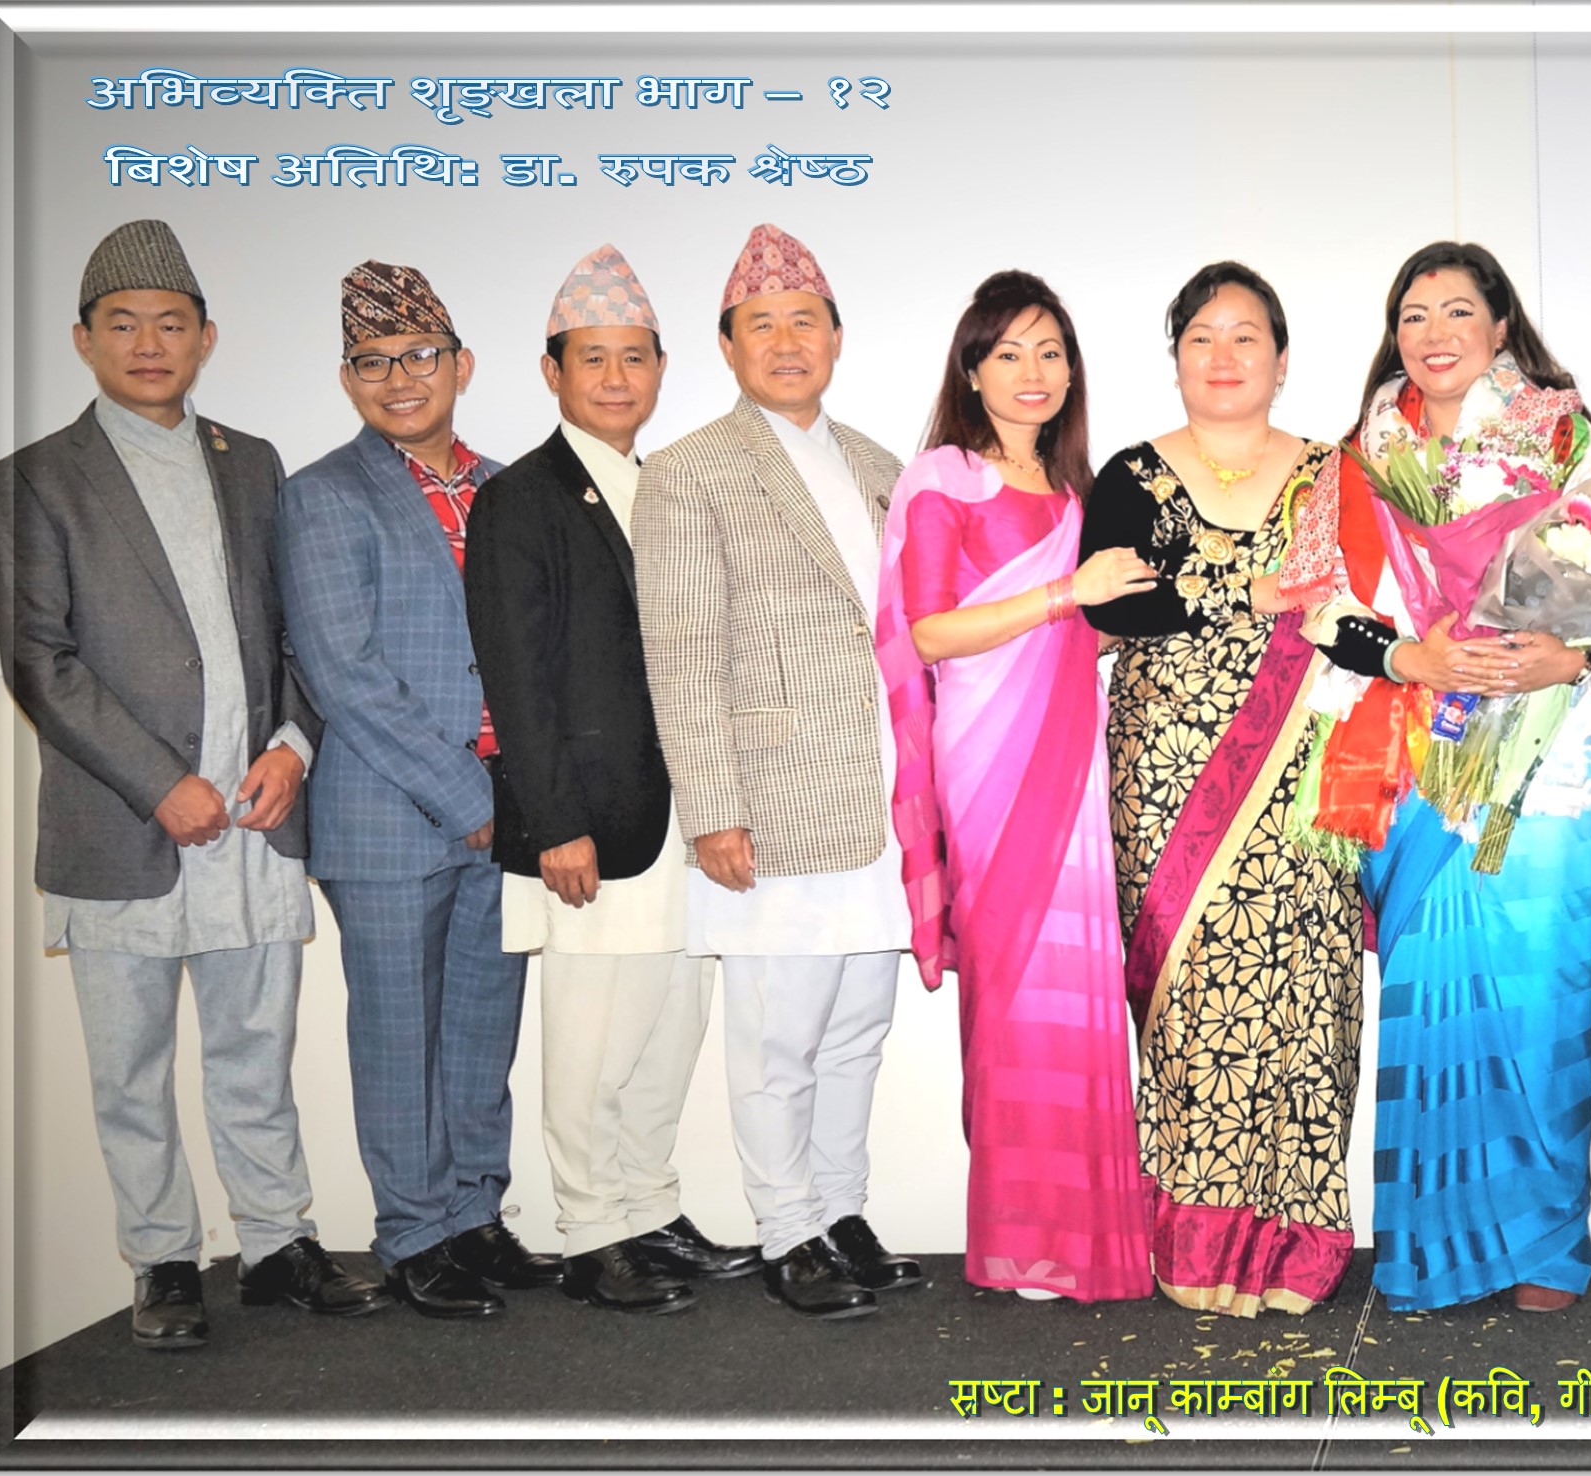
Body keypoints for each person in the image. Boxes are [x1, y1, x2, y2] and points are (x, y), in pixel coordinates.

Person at [0, 220, 385, 1349]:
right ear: (84, 340)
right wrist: (159, 782)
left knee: (256, 1054)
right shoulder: (32, 480)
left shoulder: (251, 462)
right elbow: (40, 660)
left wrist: (292, 747)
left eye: (171, 324)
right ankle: (162, 1261)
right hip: (122, 828)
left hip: (255, 814)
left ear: (207, 338)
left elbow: (299, 631)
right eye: (124, 325)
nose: (149, 344)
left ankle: (276, 1244)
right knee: (130, 1070)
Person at [1278, 241, 1591, 1315]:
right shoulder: (1355, 461)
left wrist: (1569, 655)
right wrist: (1410, 656)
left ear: (1499, 327)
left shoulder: (1563, 436)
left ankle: (1543, 1247)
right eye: (1412, 315)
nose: (1432, 333)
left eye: (1455, 311)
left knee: (1540, 993)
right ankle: (1438, 1246)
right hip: (1413, 753)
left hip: (1551, 747)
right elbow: (1318, 606)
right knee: (1432, 996)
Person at [633, 223, 924, 1320]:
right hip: (772, 801)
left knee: (856, 1028)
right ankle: (786, 1229)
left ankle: (841, 1212)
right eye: (763, 325)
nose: (787, 342)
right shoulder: (689, 471)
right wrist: (712, 808)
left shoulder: (880, 466)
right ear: (728, 346)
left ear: (837, 338)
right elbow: (680, 651)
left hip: (881, 798)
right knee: (776, 1037)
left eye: (806, 321)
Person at [463, 244, 761, 1317]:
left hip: (685, 815)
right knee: (594, 1038)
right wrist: (554, 823)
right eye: (592, 358)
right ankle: (592, 1231)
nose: (616, 377)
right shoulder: (522, 498)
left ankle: (648, 1206)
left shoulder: (672, 483)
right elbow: (516, 676)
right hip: (590, 822)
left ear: (663, 368)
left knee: (668, 1025)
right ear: (552, 372)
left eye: (635, 357)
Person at [1077, 262, 1364, 1315]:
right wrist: (1248, 589)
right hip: (1165, 772)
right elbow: (1111, 609)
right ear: (1175, 359)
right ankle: (1194, 1242)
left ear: (1281, 361)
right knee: (1193, 1001)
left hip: (1302, 764)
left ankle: (1293, 1244)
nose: (1224, 355)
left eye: (1246, 336)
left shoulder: (1336, 474)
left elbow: (1361, 612)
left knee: (1303, 990)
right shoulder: (1132, 475)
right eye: (1201, 336)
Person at [277, 260, 560, 1318]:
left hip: (509, 809)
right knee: (399, 1034)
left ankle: (475, 1214)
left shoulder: (510, 488)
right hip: (389, 814)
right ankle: (413, 1235)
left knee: (483, 1026)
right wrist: (469, 796)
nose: (399, 378)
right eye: (372, 362)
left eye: (419, 355)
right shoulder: (322, 496)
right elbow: (343, 673)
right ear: (347, 379)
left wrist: (522, 797)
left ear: (461, 364)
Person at [874, 271, 1155, 1303]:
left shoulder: (1082, 496)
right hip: (988, 767)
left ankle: (1083, 1231)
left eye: (1050, 352)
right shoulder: (942, 478)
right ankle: (1022, 1235)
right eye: (1008, 353)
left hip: (1071, 757)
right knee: (1011, 993)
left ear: (1071, 372)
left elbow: (1090, 632)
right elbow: (929, 632)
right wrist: (1065, 592)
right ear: (971, 371)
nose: (1032, 372)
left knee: (1074, 988)